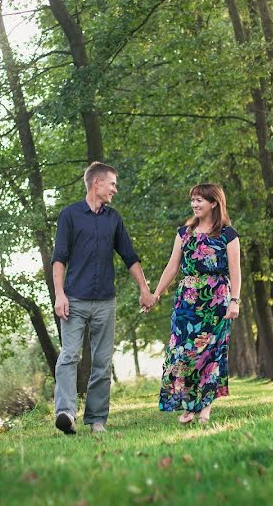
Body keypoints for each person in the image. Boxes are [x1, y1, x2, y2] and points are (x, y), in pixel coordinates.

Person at [51, 162, 154, 434]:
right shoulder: (70, 215)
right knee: (69, 355)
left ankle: (97, 420)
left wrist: (144, 289)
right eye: (112, 184)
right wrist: (59, 294)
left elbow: (129, 256)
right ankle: (65, 412)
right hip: (74, 299)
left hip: (105, 301)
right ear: (96, 184)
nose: (115, 190)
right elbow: (59, 258)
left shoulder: (114, 218)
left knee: (101, 361)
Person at [144, 183, 241, 424]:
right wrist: (155, 294)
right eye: (193, 200)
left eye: (200, 200)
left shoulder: (228, 234)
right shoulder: (184, 233)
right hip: (187, 301)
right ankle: (188, 405)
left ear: (214, 203)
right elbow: (172, 267)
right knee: (183, 353)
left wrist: (234, 301)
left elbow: (235, 271)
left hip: (217, 300)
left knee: (211, 353)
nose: (195, 204)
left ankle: (205, 407)